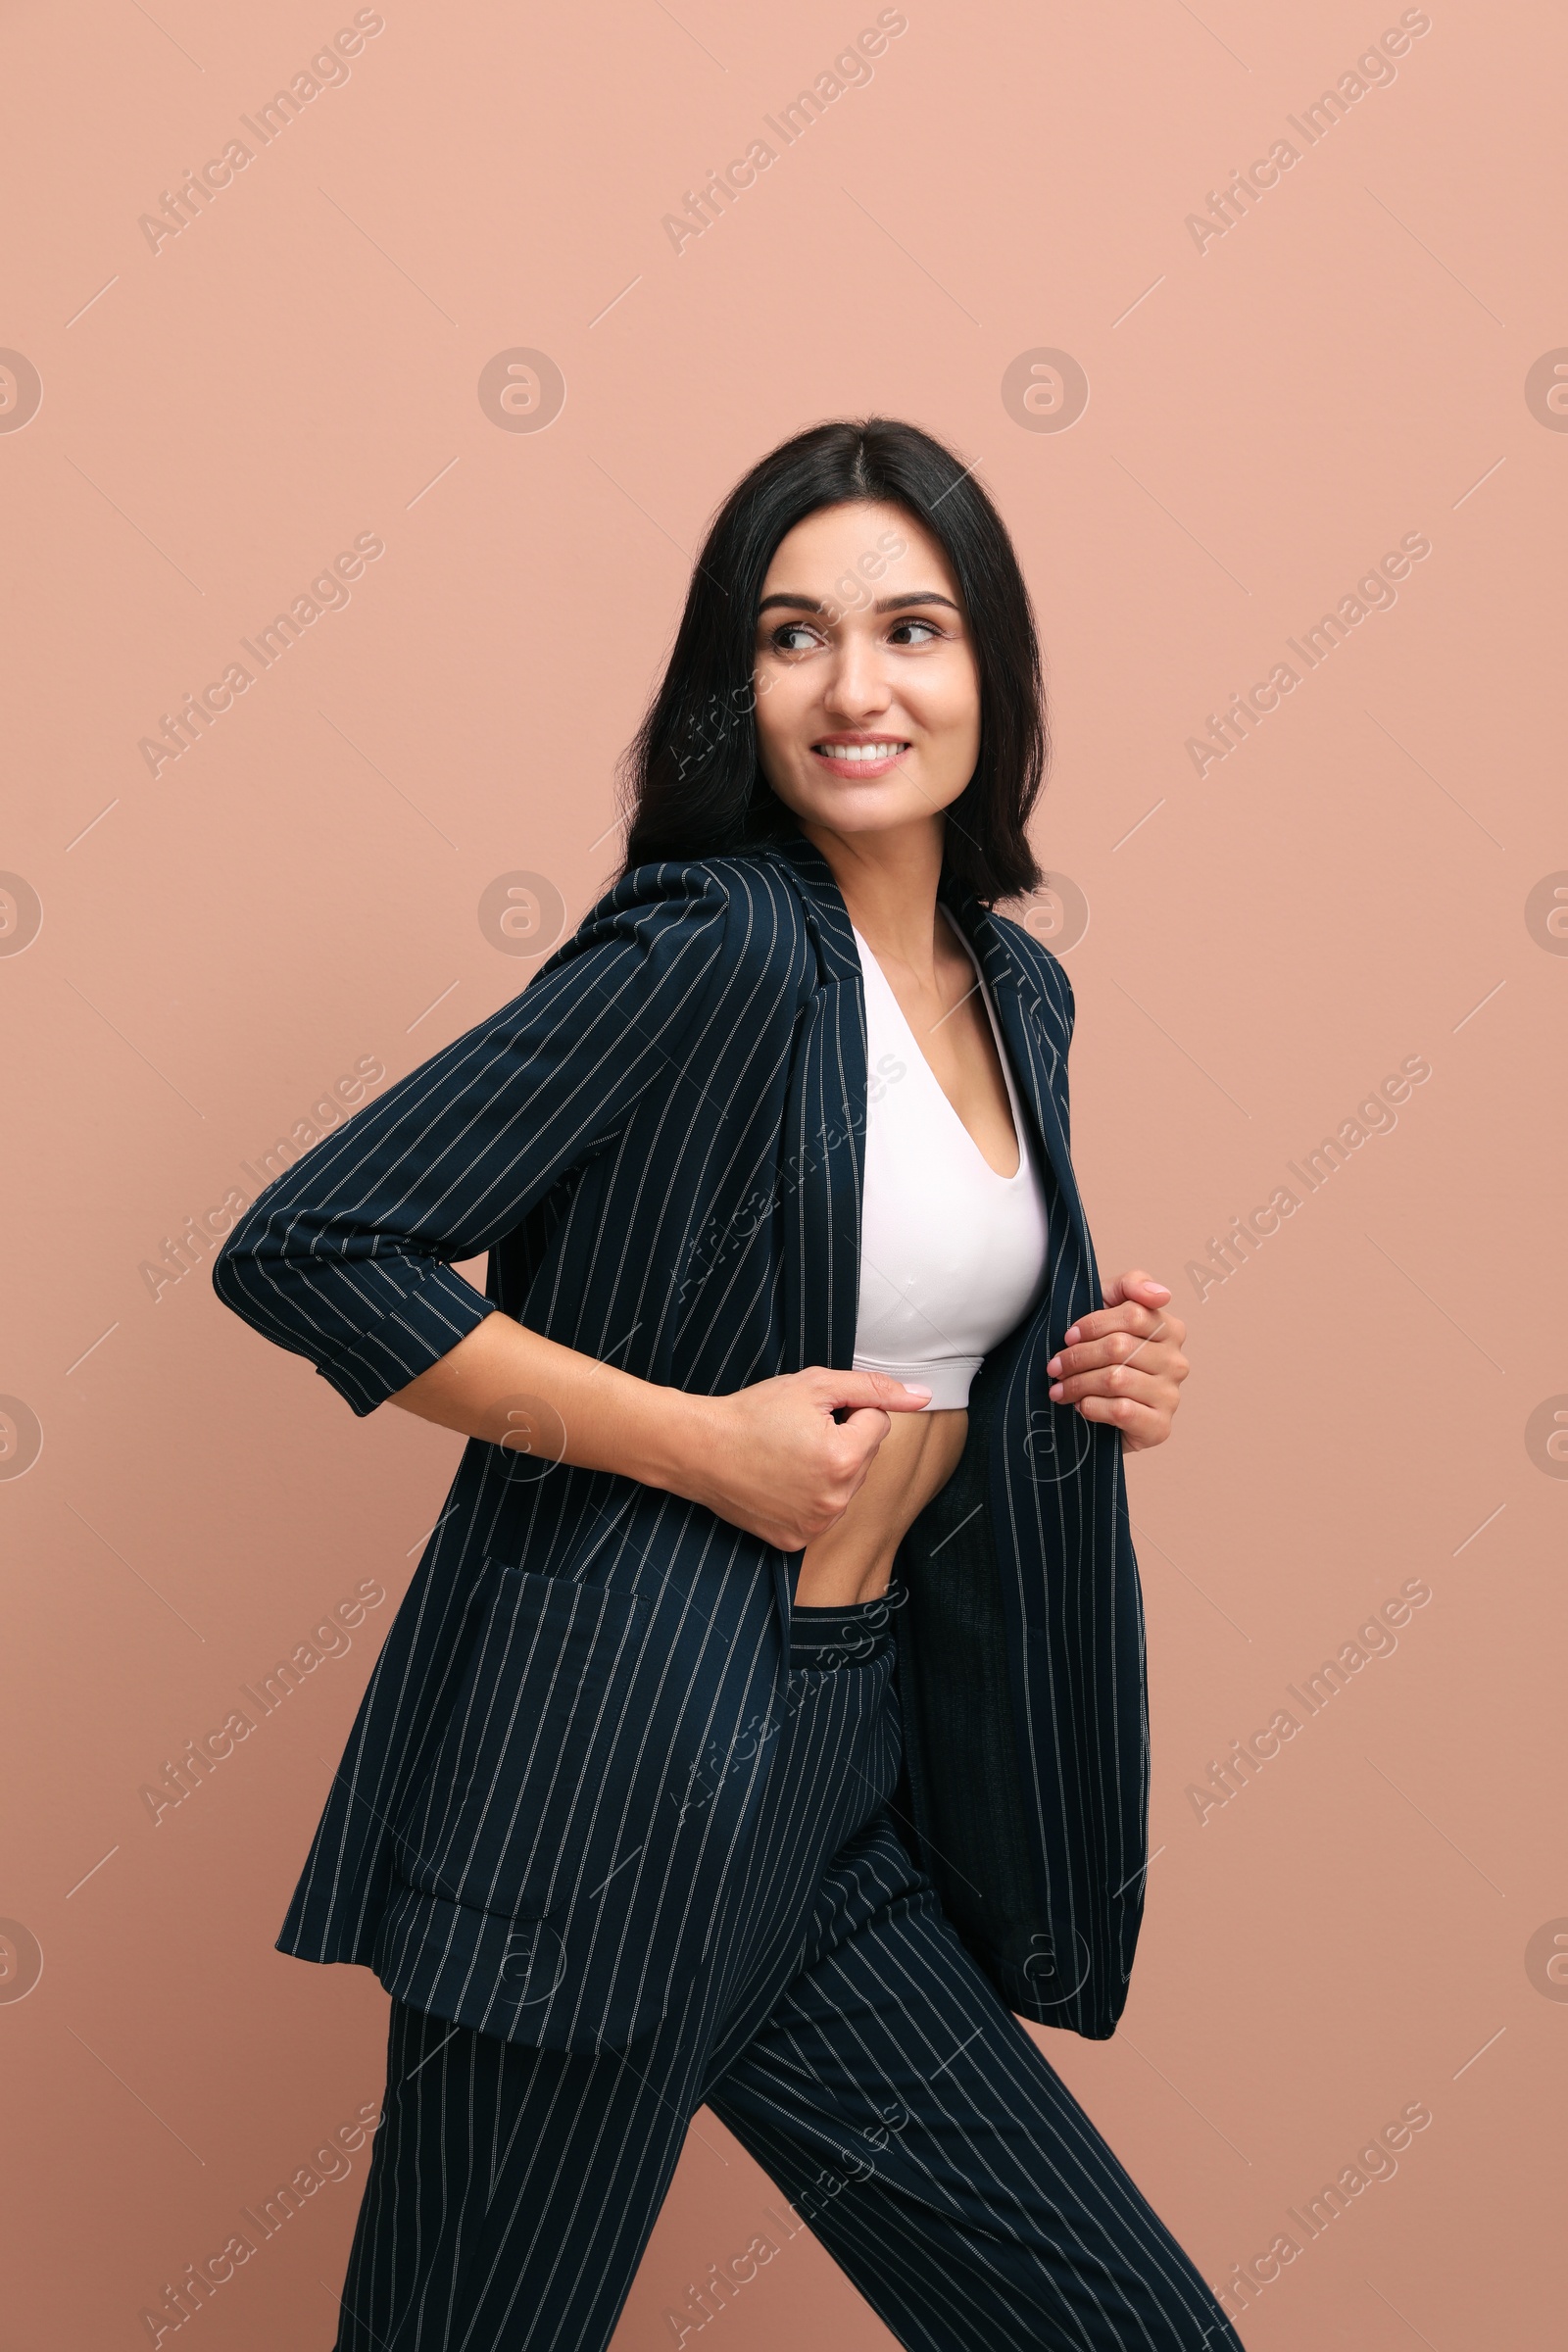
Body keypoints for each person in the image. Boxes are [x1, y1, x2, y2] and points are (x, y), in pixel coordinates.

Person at [213, 416, 1236, 2351]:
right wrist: (702, 1447)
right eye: (792, 635)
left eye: (911, 629)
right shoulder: (708, 951)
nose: (856, 686)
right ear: (732, 685)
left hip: (851, 1774)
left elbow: (919, 1324)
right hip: (604, 1768)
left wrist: (1092, 1373)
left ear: (989, 674)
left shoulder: (1017, 992)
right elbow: (308, 1247)